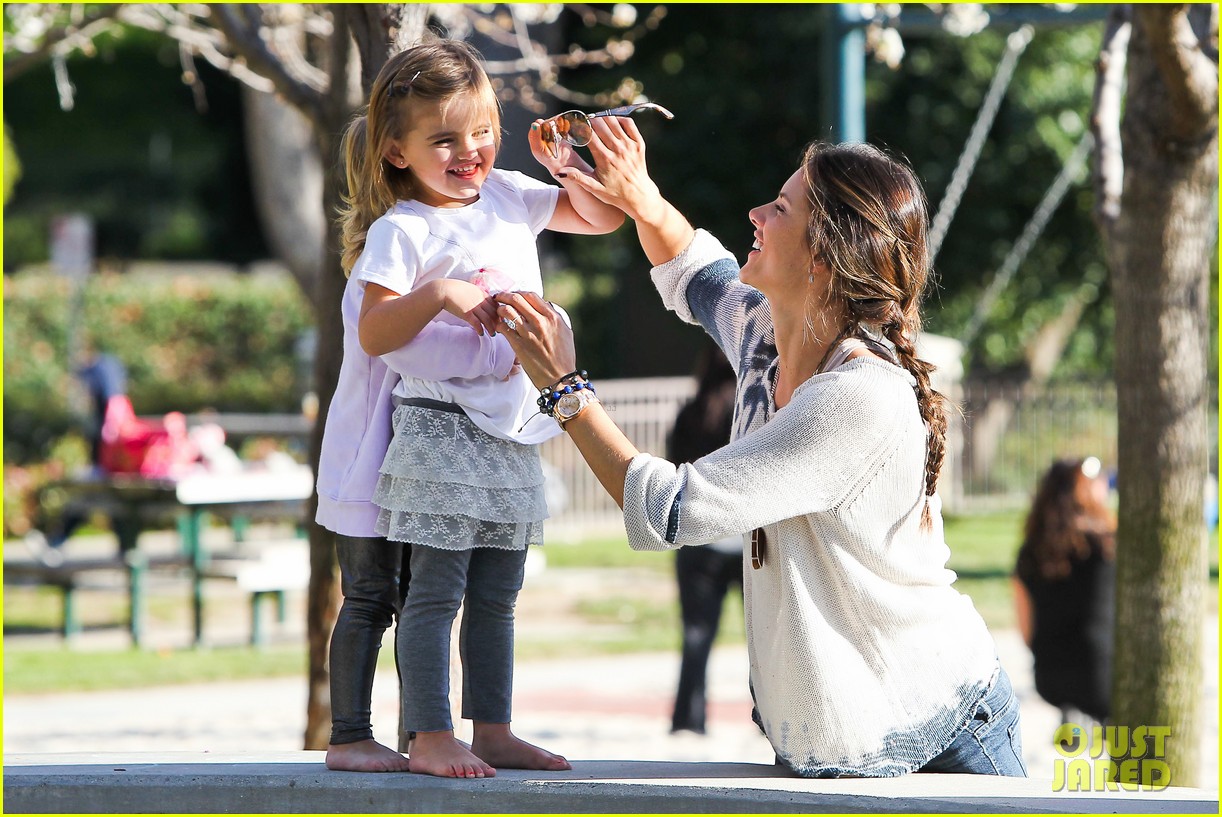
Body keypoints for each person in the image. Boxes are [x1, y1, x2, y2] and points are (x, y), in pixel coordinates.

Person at [494, 121, 1027, 778]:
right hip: (839, 750)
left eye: (779, 209)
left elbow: (671, 509)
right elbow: (695, 269)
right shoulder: (767, 336)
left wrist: (566, 391)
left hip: (939, 733)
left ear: (821, 258)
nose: (755, 213)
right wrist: (639, 196)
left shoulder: (857, 397)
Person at [317, 39, 623, 778]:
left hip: (514, 424)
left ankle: (494, 726)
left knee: (498, 593)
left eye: (481, 131)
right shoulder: (404, 229)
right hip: (439, 428)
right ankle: (429, 732)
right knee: (436, 591)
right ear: (396, 152)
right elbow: (376, 331)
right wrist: (445, 293)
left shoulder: (511, 194)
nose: (470, 151)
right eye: (444, 139)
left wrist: (567, 168)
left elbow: (603, 219)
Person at [667, 343, 741, 735]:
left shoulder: (690, 414)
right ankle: (768, 720)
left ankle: (688, 719)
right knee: (767, 642)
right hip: (750, 543)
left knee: (695, 637)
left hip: (699, 541)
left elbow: (673, 476)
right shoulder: (754, 417)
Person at [1012, 456, 1116, 726]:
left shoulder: (1029, 553)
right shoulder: (1108, 546)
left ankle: (1076, 717)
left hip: (1049, 679)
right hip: (1103, 675)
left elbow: (1026, 631)